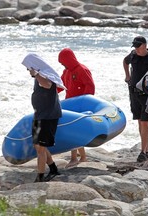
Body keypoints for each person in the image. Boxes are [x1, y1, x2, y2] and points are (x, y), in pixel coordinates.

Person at [22, 53, 62, 182]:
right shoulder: (40, 76)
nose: (28, 71)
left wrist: (36, 74)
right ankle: (53, 168)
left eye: (28, 69)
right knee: (38, 146)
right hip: (40, 114)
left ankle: (40, 177)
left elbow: (47, 85)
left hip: (48, 116)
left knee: (41, 147)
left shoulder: (44, 74)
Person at [58, 48, 95, 168]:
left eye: (63, 62)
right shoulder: (66, 71)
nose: (63, 65)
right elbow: (60, 85)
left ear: (69, 59)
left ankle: (74, 158)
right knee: (75, 132)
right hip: (69, 105)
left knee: (73, 132)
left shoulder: (82, 70)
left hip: (80, 106)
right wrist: (48, 93)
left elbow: (90, 87)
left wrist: (84, 103)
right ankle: (83, 157)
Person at [123, 36, 148, 162]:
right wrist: (128, 76)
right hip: (133, 93)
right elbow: (125, 61)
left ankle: (143, 151)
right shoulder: (132, 55)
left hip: (147, 95)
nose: (136, 49)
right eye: (135, 47)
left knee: (145, 121)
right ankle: (147, 149)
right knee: (139, 121)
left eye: (138, 46)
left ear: (144, 45)